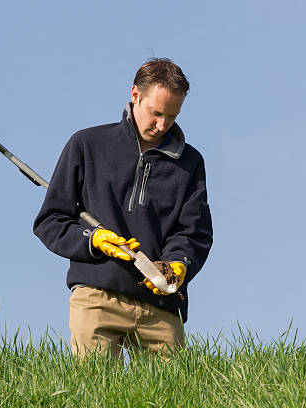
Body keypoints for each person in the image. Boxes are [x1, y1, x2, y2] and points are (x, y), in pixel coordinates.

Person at [33, 58, 213, 359]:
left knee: (175, 398)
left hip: (161, 308)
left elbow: (194, 233)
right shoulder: (86, 144)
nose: (162, 125)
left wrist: (179, 263)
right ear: (135, 95)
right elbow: (50, 221)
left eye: (172, 116)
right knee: (94, 395)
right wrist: (93, 239)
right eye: (156, 113)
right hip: (96, 297)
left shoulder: (190, 163)